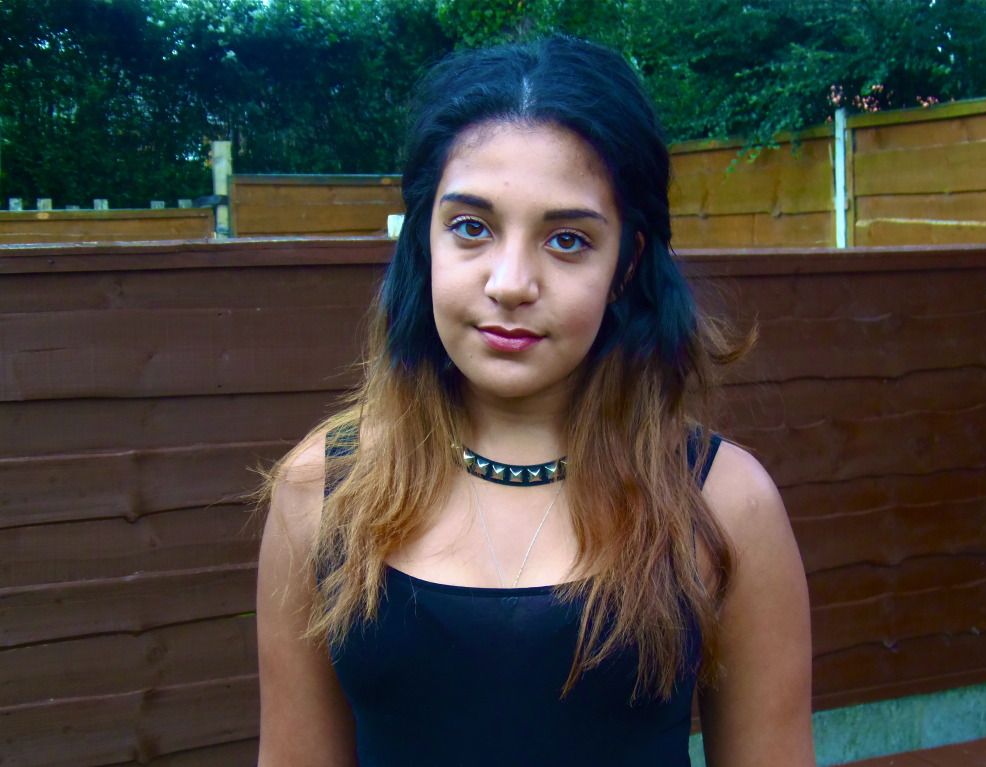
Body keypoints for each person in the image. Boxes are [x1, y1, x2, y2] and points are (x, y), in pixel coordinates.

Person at [256, 36, 814, 766]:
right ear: (424, 242)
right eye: (471, 228)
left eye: (568, 240)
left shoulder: (723, 503)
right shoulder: (322, 492)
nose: (511, 282)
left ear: (626, 263)